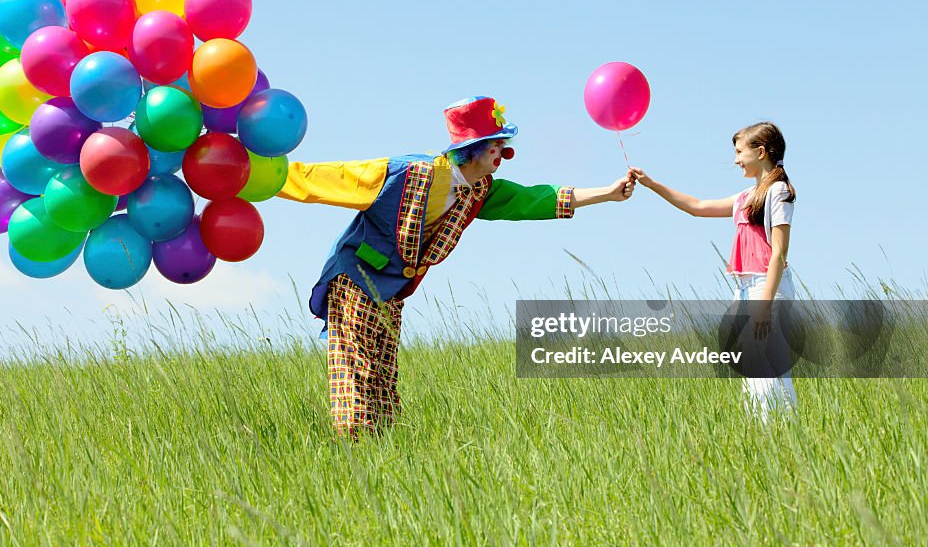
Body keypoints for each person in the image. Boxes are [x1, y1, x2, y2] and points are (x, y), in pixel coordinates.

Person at [275, 96, 636, 438]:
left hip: (393, 292)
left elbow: (533, 199)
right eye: (495, 145)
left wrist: (606, 193)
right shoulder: (405, 172)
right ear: (473, 149)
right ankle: (353, 449)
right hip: (355, 278)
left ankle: (380, 451)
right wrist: (258, 175)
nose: (502, 154)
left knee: (383, 379)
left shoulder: (480, 191)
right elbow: (326, 178)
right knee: (358, 372)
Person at [629, 121, 797, 421]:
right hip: (746, 288)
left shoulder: (778, 191)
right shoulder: (745, 197)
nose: (735, 160)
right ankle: (762, 436)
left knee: (769, 371)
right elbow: (697, 205)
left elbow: (779, 254)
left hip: (766, 288)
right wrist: (652, 185)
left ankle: (782, 433)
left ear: (760, 152)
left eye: (739, 152)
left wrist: (763, 306)